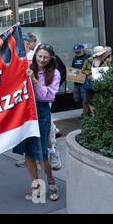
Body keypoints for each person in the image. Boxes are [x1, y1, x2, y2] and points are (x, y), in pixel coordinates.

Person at [13, 44, 61, 202]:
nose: (42, 59)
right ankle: (36, 187)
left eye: (45, 57)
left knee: (41, 153)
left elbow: (48, 97)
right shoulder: (27, 66)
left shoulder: (55, 73)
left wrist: (34, 80)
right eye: (39, 56)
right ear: (35, 56)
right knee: (28, 152)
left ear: (50, 58)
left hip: (41, 113)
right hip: (24, 112)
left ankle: (52, 183)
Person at [81, 46, 111, 114]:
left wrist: (105, 73)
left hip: (103, 84)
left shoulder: (106, 61)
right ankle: (95, 115)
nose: (104, 54)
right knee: (90, 100)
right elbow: (83, 70)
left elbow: (110, 70)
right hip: (91, 84)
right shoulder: (88, 60)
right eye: (102, 53)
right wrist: (91, 73)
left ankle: (100, 115)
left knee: (102, 100)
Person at [71, 44, 90, 117]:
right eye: (76, 52)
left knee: (85, 98)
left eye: (78, 52)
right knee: (78, 98)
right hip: (77, 81)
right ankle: (86, 111)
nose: (77, 53)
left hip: (85, 82)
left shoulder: (87, 57)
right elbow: (73, 69)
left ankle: (85, 112)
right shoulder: (74, 58)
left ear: (83, 50)